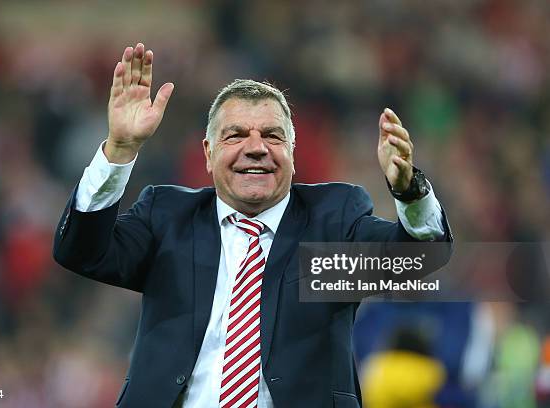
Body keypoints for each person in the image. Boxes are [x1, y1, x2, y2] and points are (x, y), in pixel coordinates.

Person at [53, 43, 452, 408]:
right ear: (208, 154)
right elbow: (81, 250)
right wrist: (119, 151)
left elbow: (416, 262)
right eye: (236, 135)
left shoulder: (331, 219)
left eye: (272, 135)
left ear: (292, 154)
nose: (256, 147)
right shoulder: (167, 217)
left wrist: (408, 191)